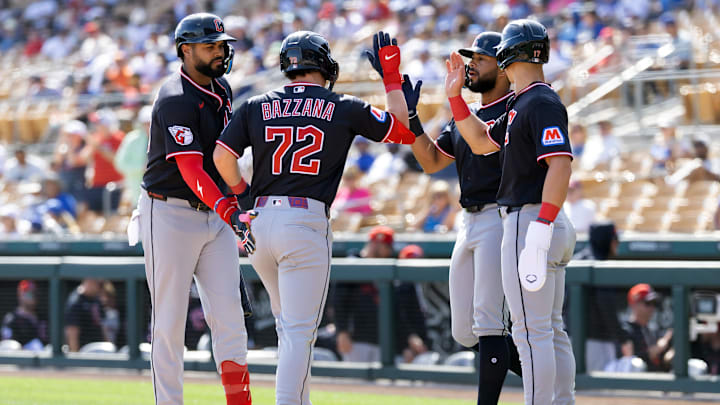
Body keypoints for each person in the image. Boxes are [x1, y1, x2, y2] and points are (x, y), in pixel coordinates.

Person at [213, 30, 415, 405]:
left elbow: (222, 158)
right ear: (322, 64)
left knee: (287, 328)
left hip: (260, 222)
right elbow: (402, 131)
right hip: (304, 223)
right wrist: (390, 77)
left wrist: (243, 197)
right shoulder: (341, 104)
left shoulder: (255, 103)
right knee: (298, 332)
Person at [443, 19, 576, 404]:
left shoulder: (539, 100)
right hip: (539, 219)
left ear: (508, 54)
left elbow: (560, 164)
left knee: (530, 333)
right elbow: (483, 142)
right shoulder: (528, 99)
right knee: (549, 329)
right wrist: (454, 99)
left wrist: (542, 225)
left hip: (531, 217)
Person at [134, 13, 254, 405]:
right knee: (169, 323)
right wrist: (228, 208)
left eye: (222, 45)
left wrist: (238, 201)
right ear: (185, 50)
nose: (220, 51)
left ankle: (239, 400)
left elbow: (222, 159)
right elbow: (190, 168)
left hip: (213, 214)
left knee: (231, 318)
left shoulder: (222, 88)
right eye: (210, 46)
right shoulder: (174, 97)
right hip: (167, 212)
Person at [402, 31, 521, 404]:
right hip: (468, 220)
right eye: (471, 59)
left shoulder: (514, 107)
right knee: (464, 332)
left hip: (499, 216)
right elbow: (431, 162)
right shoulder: (464, 114)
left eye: (481, 59)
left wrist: (455, 103)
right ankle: (540, 367)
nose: (472, 66)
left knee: (487, 324)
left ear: (503, 67)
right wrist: (411, 118)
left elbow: (484, 141)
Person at [573, 223, 631, 372]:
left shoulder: (576, 260)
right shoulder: (600, 265)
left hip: (569, 339)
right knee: (595, 392)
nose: (617, 243)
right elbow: (607, 308)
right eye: (614, 239)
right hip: (596, 343)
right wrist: (623, 338)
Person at [623, 283, 674, 372]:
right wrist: (660, 346)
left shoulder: (653, 329)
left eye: (653, 303)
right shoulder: (626, 330)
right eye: (648, 303)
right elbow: (634, 361)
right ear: (634, 304)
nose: (652, 308)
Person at [114, 105, 151, 210]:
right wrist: (140, 168)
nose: (148, 126)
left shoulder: (163, 137)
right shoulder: (131, 139)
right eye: (146, 123)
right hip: (137, 191)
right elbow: (120, 163)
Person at [1, 280, 47, 350]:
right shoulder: (11, 319)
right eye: (29, 293)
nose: (32, 296)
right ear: (20, 294)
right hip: (21, 357)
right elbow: (7, 344)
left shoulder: (43, 317)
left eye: (34, 293)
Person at [64, 278, 106, 352]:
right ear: (89, 281)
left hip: (98, 346)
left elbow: (102, 327)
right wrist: (75, 357)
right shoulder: (76, 301)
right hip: (84, 351)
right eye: (98, 284)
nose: (100, 288)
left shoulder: (96, 299)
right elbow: (72, 333)